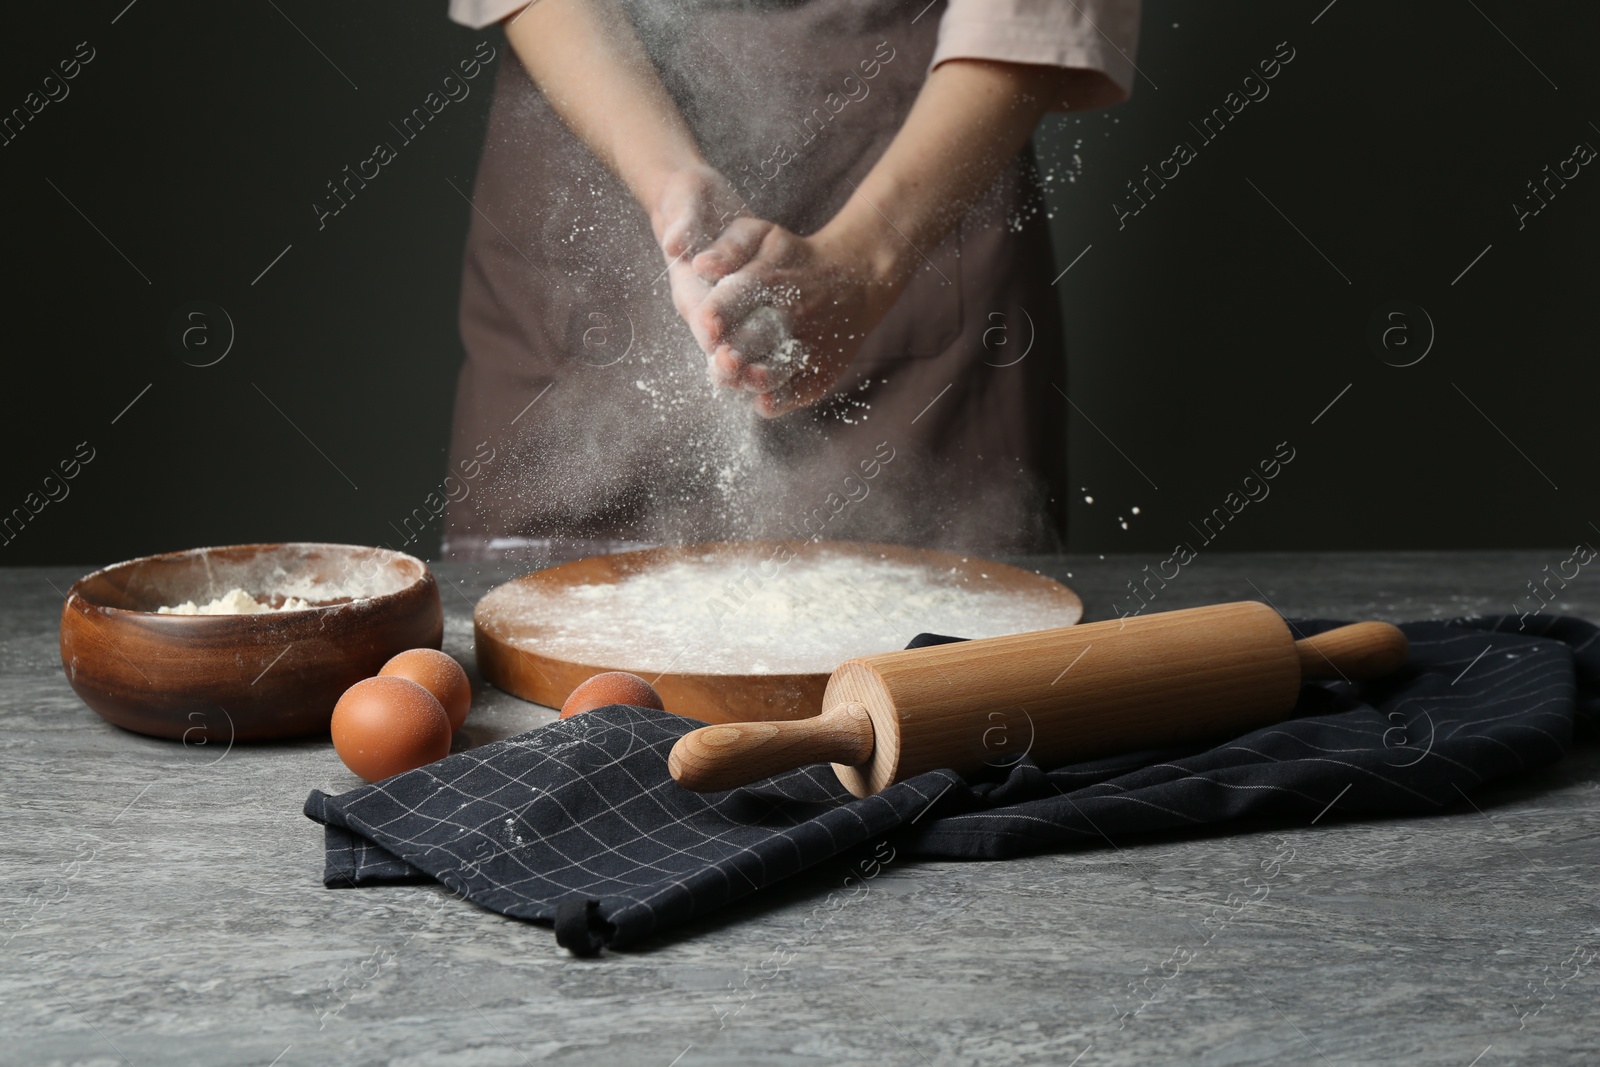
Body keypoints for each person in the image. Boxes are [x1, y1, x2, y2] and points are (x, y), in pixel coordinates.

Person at [442, 0, 1140, 562]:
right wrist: (665, 179)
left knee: (920, 659)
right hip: (594, 126)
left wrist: (867, 263)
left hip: (906, 161)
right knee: (544, 681)